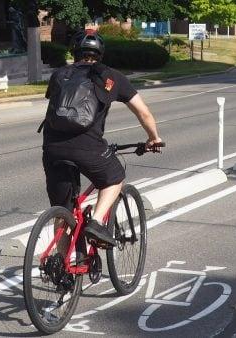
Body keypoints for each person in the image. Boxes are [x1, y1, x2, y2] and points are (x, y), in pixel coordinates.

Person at [40, 30, 162, 247]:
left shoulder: (60, 74)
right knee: (115, 177)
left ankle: (62, 269)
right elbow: (143, 113)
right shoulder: (111, 77)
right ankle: (96, 223)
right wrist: (153, 138)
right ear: (101, 54)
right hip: (86, 144)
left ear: (75, 52)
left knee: (64, 210)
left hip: (52, 147)